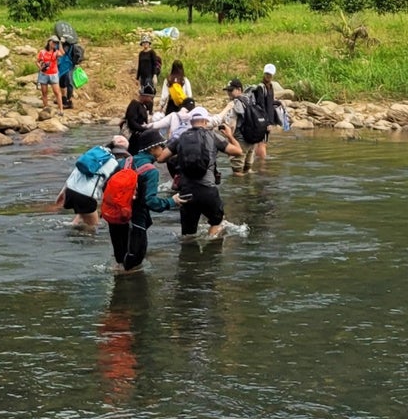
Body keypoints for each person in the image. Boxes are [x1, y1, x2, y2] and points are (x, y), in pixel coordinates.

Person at [168, 108, 242, 241]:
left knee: (188, 235)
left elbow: (162, 158)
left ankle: (188, 257)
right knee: (217, 222)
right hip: (207, 190)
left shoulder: (181, 138)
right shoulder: (213, 136)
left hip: (186, 192)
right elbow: (238, 151)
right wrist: (230, 135)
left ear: (191, 121)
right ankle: (211, 245)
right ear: (205, 120)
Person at [99, 143, 162, 274]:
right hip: (135, 220)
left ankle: (118, 289)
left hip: (115, 216)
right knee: (133, 267)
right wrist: (172, 202)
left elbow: (106, 186)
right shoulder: (151, 171)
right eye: (162, 146)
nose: (164, 149)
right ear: (152, 148)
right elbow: (151, 202)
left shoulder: (123, 163)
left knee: (120, 261)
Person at [55, 134, 130, 229]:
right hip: (85, 197)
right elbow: (111, 189)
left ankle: (73, 227)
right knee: (93, 227)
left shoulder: (94, 152)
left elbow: (76, 170)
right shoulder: (114, 164)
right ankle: (82, 240)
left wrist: (63, 192)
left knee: (82, 217)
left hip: (70, 190)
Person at [239, 62, 279, 171]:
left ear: (273, 75)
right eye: (266, 74)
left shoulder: (270, 86)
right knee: (262, 143)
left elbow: (269, 103)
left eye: (270, 75)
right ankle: (262, 167)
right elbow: (261, 106)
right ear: (264, 74)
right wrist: (267, 123)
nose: (268, 76)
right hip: (263, 121)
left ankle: (258, 164)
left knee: (261, 143)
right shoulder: (261, 88)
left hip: (266, 120)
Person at [122, 81, 158, 155]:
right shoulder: (134, 105)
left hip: (139, 135)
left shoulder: (143, 106)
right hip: (132, 137)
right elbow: (131, 122)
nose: (151, 100)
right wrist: (144, 129)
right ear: (145, 96)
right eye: (150, 98)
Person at [55, 21, 85, 109]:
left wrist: (60, 43)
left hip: (69, 67)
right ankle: (63, 98)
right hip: (62, 67)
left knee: (69, 83)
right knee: (62, 83)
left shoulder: (69, 45)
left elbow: (62, 53)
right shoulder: (63, 43)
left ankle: (69, 101)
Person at [36, 36, 63, 112]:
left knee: (57, 92)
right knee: (44, 92)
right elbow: (37, 61)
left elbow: (62, 54)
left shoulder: (56, 52)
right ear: (49, 42)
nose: (54, 44)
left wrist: (60, 44)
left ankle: (61, 109)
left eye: (56, 42)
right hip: (44, 74)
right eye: (53, 42)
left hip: (54, 74)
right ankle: (46, 108)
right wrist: (40, 67)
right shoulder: (42, 52)